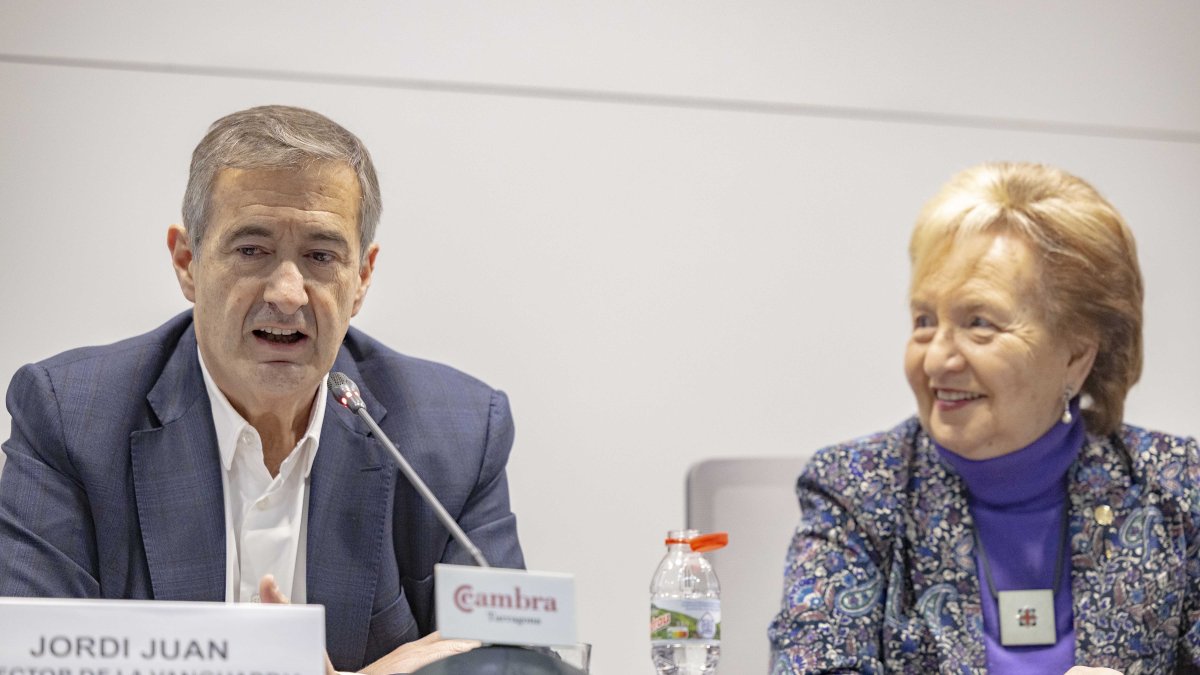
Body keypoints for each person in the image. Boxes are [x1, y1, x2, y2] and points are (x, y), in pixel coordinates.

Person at [0, 105, 525, 673]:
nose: (288, 293)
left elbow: (510, 661)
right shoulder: (70, 418)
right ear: (187, 262)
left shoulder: (457, 434)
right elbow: (28, 656)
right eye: (252, 250)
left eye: (321, 256)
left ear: (362, 278)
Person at [768, 162, 1200, 674]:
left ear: (1076, 355)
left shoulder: (1176, 486)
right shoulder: (858, 492)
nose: (935, 361)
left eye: (979, 323)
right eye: (925, 321)